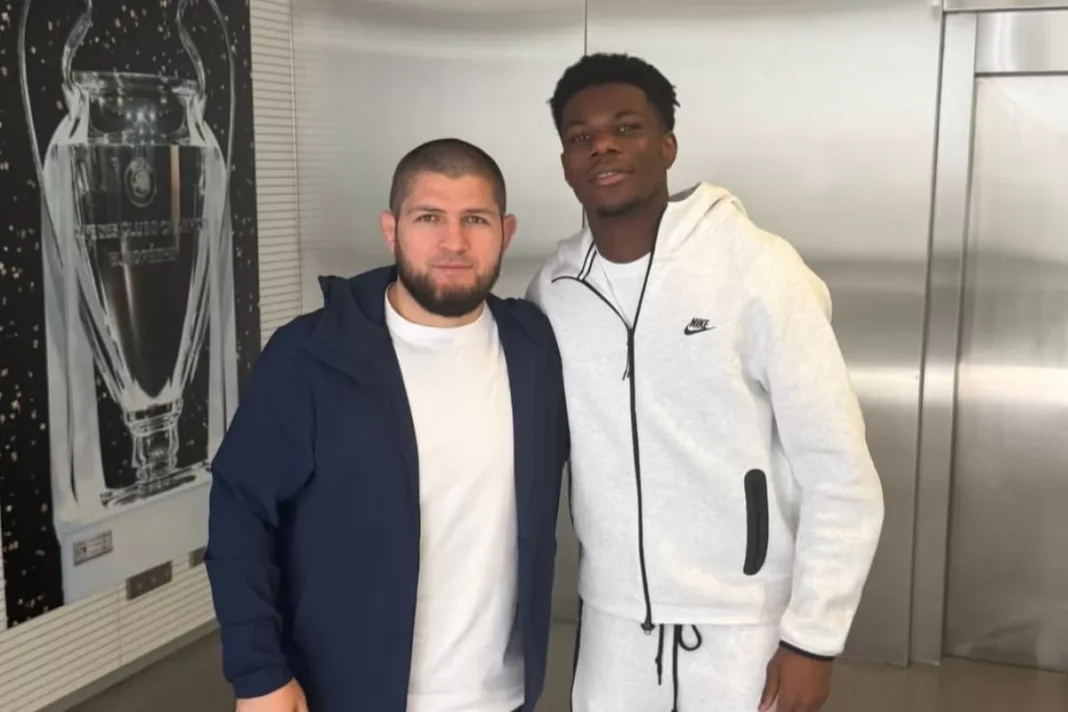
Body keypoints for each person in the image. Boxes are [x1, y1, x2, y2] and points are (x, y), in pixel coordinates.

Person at [526, 53, 885, 712]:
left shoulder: (758, 268)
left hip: (744, 630)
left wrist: (813, 639)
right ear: (567, 163)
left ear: (667, 146)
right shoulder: (554, 290)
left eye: (626, 128)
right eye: (581, 137)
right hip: (613, 631)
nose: (603, 146)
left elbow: (839, 471)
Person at [206, 138, 569, 712]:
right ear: (390, 229)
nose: (453, 241)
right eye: (429, 217)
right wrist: (258, 675)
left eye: (475, 219)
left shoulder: (535, 348)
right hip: (347, 693)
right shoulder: (310, 356)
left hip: (501, 696)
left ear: (505, 232)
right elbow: (240, 513)